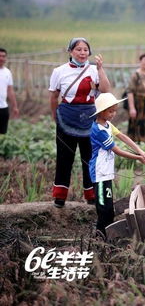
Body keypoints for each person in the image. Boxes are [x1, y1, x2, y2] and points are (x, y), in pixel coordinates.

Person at [49, 38, 111, 208]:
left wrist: (100, 69)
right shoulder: (59, 71)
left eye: (85, 50)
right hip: (67, 117)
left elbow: (105, 90)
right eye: (79, 49)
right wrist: (55, 117)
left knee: (89, 158)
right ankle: (60, 196)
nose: (83, 53)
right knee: (64, 158)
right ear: (70, 51)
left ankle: (91, 195)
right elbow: (54, 97)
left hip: (89, 116)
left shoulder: (93, 70)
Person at [89, 92, 145, 237]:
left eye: (115, 110)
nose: (113, 114)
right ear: (101, 112)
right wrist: (138, 158)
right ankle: (99, 238)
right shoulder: (98, 131)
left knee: (108, 209)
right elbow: (117, 150)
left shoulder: (108, 125)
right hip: (99, 175)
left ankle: (105, 237)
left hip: (106, 174)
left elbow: (123, 137)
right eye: (110, 111)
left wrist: (141, 151)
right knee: (104, 210)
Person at [0, 48, 19, 134]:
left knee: (3, 134)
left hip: (3, 108)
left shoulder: (7, 72)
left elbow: (10, 91)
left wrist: (15, 107)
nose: (1, 58)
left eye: (3, 56)